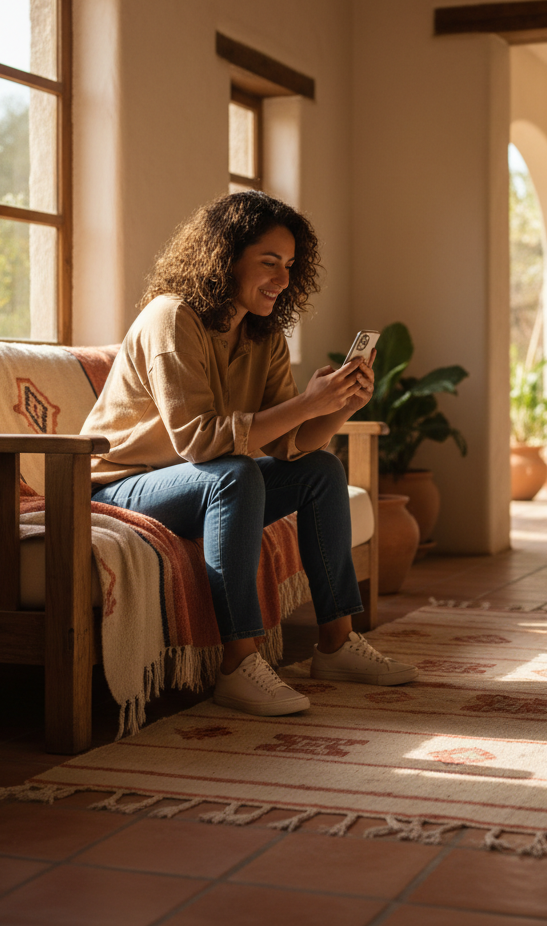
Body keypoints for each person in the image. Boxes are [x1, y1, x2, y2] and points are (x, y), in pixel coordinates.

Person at [82, 191, 416, 716]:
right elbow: (198, 441)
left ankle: (335, 644)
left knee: (322, 470)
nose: (282, 279)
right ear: (224, 256)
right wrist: (306, 404)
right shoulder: (171, 317)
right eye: (268, 262)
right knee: (235, 474)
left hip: (200, 481)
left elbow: (288, 445)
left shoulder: (264, 334)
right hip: (122, 487)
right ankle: (239, 663)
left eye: (289, 265)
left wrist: (337, 406)